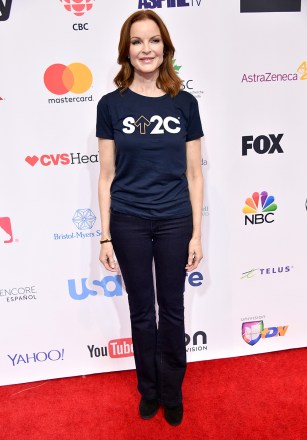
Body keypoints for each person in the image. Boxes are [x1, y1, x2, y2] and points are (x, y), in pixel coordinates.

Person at [96, 9, 204, 426]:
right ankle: (150, 390)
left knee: (172, 309)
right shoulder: (111, 105)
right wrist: (105, 236)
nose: (146, 49)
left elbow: (195, 173)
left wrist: (197, 234)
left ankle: (173, 391)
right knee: (141, 311)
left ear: (165, 48)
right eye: (138, 41)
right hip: (128, 221)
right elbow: (106, 176)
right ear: (127, 49)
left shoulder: (185, 103)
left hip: (176, 219)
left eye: (154, 41)